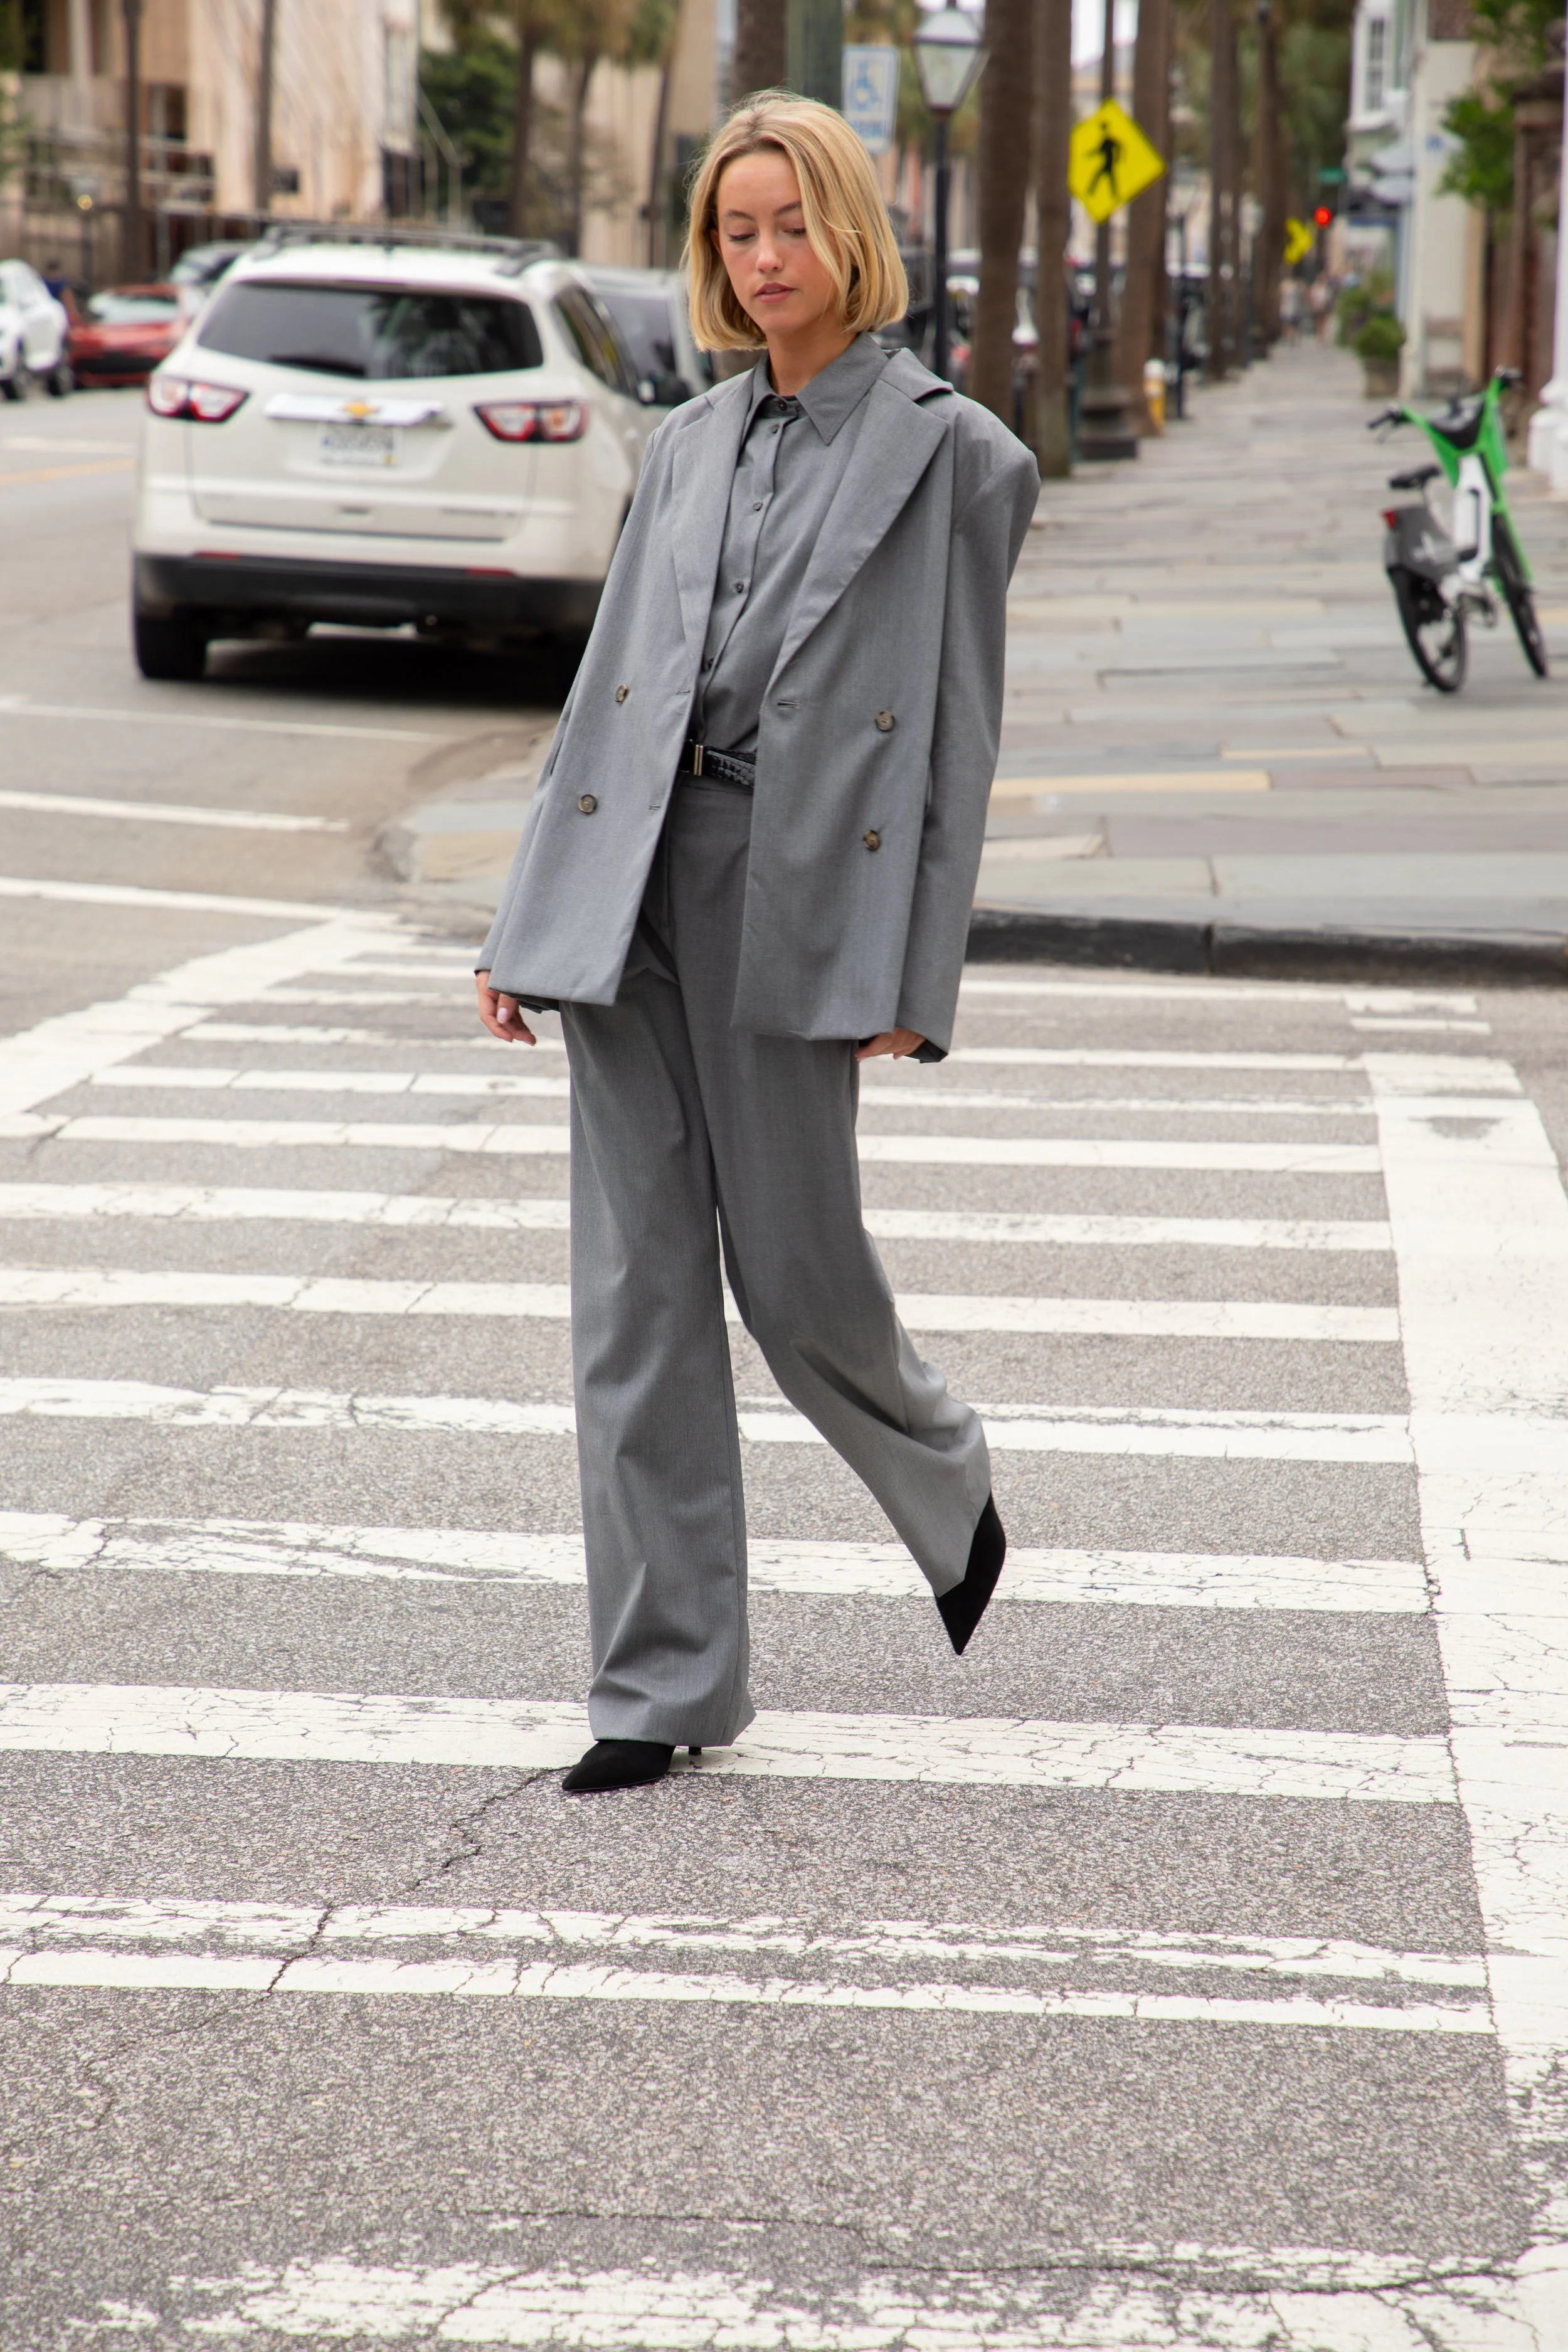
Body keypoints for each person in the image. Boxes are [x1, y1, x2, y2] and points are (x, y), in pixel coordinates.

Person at [474, 92, 1041, 1796]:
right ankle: (656, 1684)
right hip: (625, 891)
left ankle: (943, 1473)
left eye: (792, 224)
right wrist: (526, 920)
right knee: (631, 1299)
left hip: (787, 890)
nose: (766, 257)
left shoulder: (955, 454)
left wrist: (912, 978)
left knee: (795, 1279)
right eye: (737, 231)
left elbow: (956, 733)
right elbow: (600, 703)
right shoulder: (687, 446)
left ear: (847, 230)